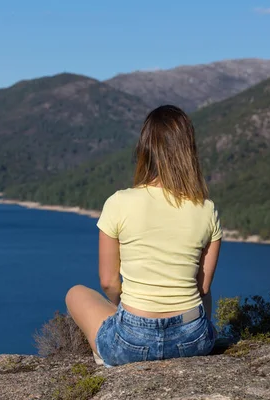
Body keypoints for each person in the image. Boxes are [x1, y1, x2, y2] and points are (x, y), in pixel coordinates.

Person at [65, 104, 222, 367]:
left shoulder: (118, 203)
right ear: (188, 150)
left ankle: (107, 357)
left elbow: (108, 282)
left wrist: (132, 313)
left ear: (145, 150)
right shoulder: (206, 209)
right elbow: (203, 287)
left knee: (75, 293)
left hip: (132, 340)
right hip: (193, 340)